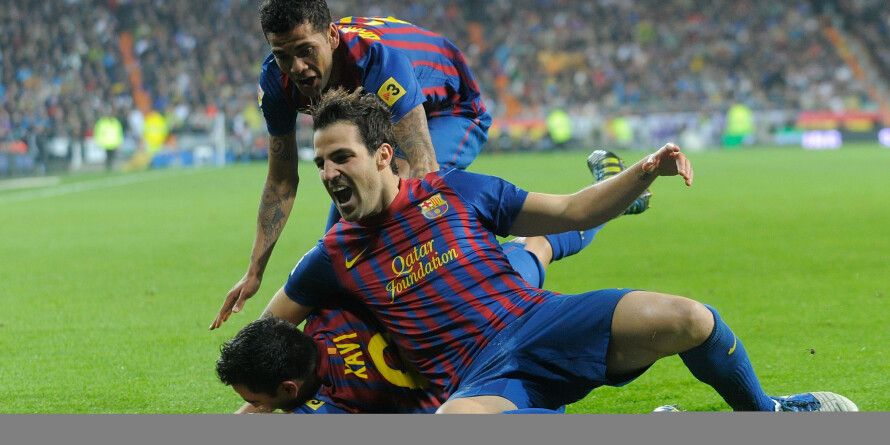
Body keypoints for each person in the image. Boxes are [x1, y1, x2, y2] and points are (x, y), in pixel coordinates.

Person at [258, 87, 856, 413]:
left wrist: (644, 172)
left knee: (691, 319)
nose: (328, 174)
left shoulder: (456, 192)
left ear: (384, 156)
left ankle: (771, 415)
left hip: (539, 319)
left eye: (341, 158)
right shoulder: (332, 255)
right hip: (478, 378)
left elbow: (572, 210)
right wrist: (251, 405)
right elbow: (265, 340)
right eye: (321, 162)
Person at [210, 0, 646, 329]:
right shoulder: (277, 80)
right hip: (384, 129)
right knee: (344, 248)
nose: (297, 68)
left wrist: (436, 272)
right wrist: (255, 271)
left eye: (306, 51)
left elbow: (423, 170)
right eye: (283, 55)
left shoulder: (377, 61)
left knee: (369, 235)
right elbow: (282, 181)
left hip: (449, 112)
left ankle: (608, 198)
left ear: (332, 36)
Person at [218, 239, 562, 414]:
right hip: (466, 304)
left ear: (290, 389)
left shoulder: (336, 407)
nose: (252, 407)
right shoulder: (328, 313)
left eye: (253, 400)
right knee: (536, 246)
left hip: (488, 372)